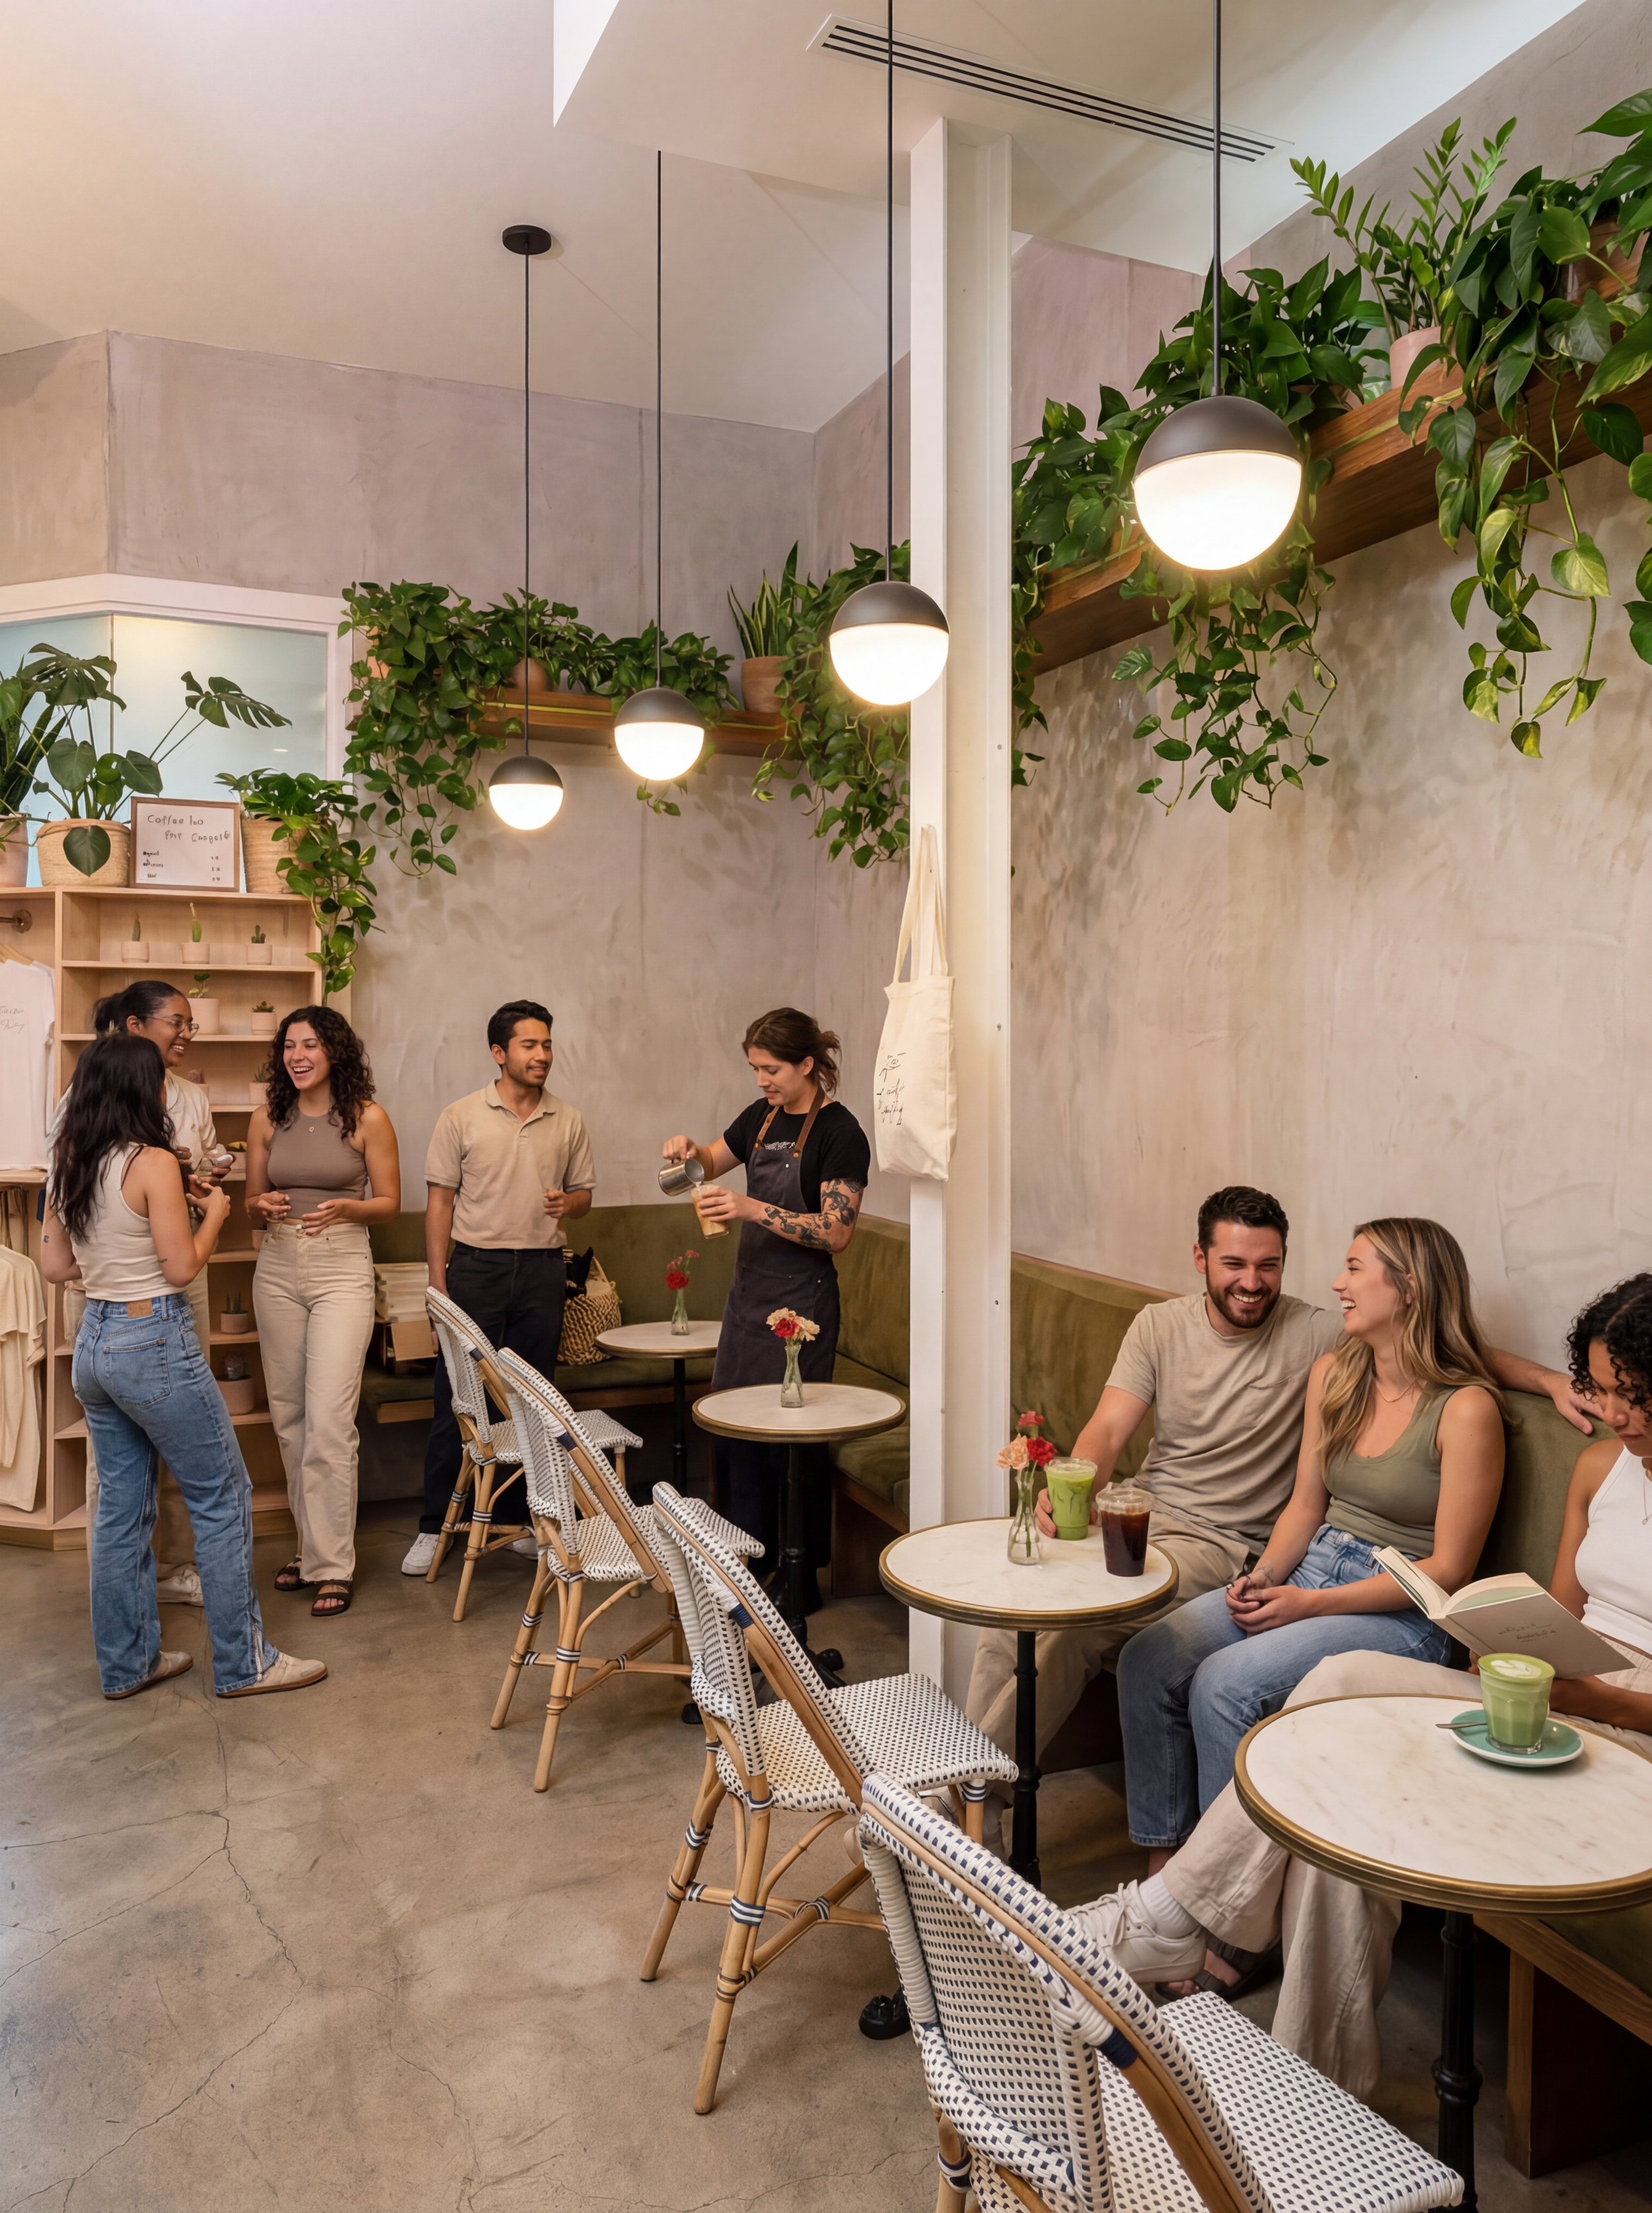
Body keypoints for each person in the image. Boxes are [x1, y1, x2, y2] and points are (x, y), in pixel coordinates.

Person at [1076, 1269, 1652, 2101]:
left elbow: (1445, 1348)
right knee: (1341, 1710)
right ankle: (1309, 2075)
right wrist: (1504, 1647)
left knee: (1312, 1734)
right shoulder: (1602, 1467)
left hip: (1628, 1715)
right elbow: (1557, 1616)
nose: (1615, 1414)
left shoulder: (1476, 1410)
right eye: (1602, 1391)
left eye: (1632, 1395)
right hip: (1561, 1687)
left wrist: (1602, 1702)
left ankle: (1176, 1926)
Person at [965, 1186, 1591, 1764]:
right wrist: (1070, 1488)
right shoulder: (1161, 1326)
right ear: (1200, 1258)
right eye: (1234, 1265)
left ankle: (951, 1807)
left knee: (1075, 1633)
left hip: (1223, 1546)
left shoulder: (1319, 1332)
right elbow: (1105, 1432)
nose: (1252, 1283)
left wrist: (1549, 1381)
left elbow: (1439, 1342)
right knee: (1017, 1612)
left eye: (1268, 1265)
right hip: (1149, 1518)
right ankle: (959, 1801)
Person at [1117, 1217, 1505, 1863]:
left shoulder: (1465, 1409)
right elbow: (1306, 1503)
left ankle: (1227, 1917)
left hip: (1406, 1607)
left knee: (1224, 1686)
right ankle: (1171, 1864)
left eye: (1354, 1269)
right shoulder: (1336, 1373)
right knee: (1149, 1659)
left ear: (1407, 1288)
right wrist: (1266, 1576)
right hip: (1313, 1564)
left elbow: (1448, 1570)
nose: (1337, 1284)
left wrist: (1312, 1605)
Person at [40, 1032, 324, 1699]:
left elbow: (55, 1266)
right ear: (142, 1090)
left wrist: (119, 1257)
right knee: (223, 1498)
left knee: (119, 1512)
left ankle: (129, 1664)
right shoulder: (152, 1162)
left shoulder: (69, 1156)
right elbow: (181, 1267)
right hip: (154, 1339)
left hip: (97, 1344)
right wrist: (216, 1212)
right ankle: (245, 1663)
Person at [661, 1007, 870, 1577]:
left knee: (790, 1442)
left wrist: (753, 1208)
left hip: (801, 1306)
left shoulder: (839, 1131)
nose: (762, 1081)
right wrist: (688, 1150)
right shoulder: (760, 1117)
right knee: (736, 1432)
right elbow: (709, 1162)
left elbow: (836, 1231)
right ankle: (744, 1566)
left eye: (772, 1068)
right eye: (755, 1068)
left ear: (808, 1064)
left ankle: (796, 1575)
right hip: (748, 1296)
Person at [50, 980, 228, 1608]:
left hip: (141, 1307)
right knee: (162, 1472)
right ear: (133, 1028)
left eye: (190, 1025)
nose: (185, 1034)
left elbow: (55, 1253)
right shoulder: (96, 1107)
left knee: (169, 1450)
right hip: (139, 1302)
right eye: (176, 1023)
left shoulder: (186, 1098)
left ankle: (161, 1580)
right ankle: (136, 1584)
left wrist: (193, 1175)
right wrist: (189, 1203)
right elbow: (175, 1264)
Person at [402, 1000, 595, 1576]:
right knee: (457, 1405)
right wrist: (437, 1290)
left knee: (533, 1403)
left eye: (547, 1045)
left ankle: (520, 1524)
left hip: (542, 1271)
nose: (542, 1056)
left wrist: (571, 1205)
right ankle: (434, 1528)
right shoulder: (461, 1116)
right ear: (499, 1053)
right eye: (529, 1046)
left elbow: (584, 1195)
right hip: (475, 1270)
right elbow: (439, 1206)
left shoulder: (568, 1119)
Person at [246, 1007, 400, 1617]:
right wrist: (263, 1203)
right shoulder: (267, 1118)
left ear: (334, 1050)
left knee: (331, 1422)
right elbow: (251, 1207)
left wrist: (345, 1209)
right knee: (289, 1417)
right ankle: (311, 1549)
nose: (298, 1055)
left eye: (310, 1044)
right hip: (279, 1265)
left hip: (341, 1265)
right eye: (289, 1046)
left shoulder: (368, 1118)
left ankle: (334, 1565)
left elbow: (388, 1203)